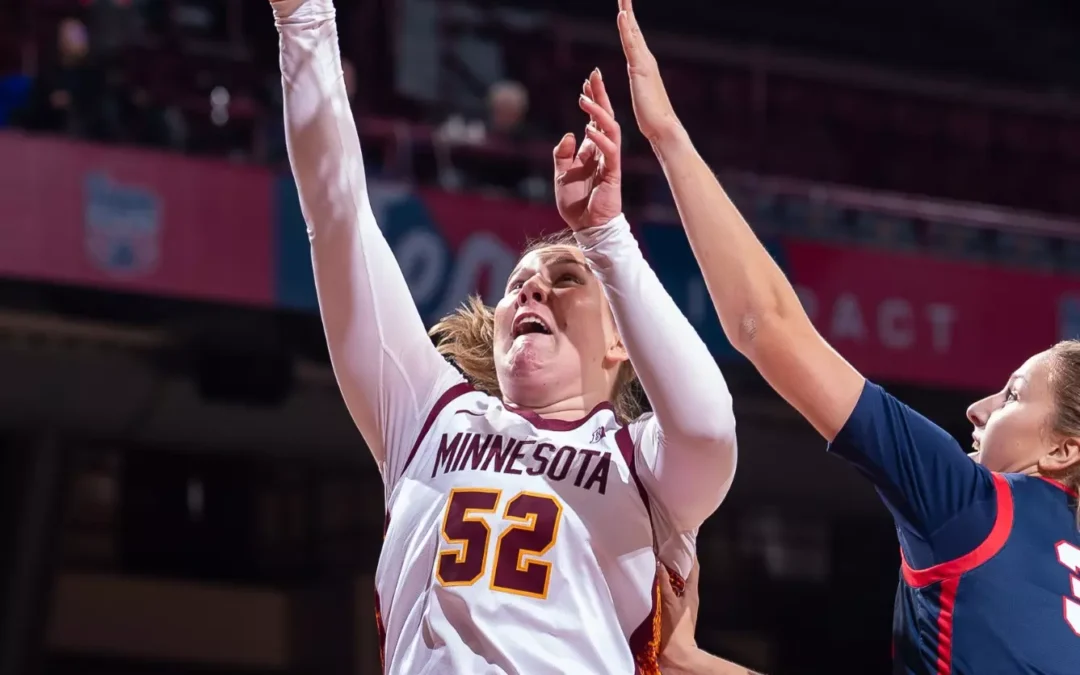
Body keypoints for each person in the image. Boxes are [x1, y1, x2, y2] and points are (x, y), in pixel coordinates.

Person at [611, 0, 1080, 673]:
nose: (977, 410)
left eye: (1012, 395)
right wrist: (687, 659)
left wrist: (667, 137)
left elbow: (766, 324)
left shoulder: (972, 506)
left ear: (1065, 448)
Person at [271, 0, 738, 672]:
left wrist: (604, 237)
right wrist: (304, 21)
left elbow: (709, 427)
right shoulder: (427, 414)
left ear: (620, 344)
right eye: (518, 282)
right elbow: (336, 212)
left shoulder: (644, 465)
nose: (531, 289)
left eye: (565, 277)